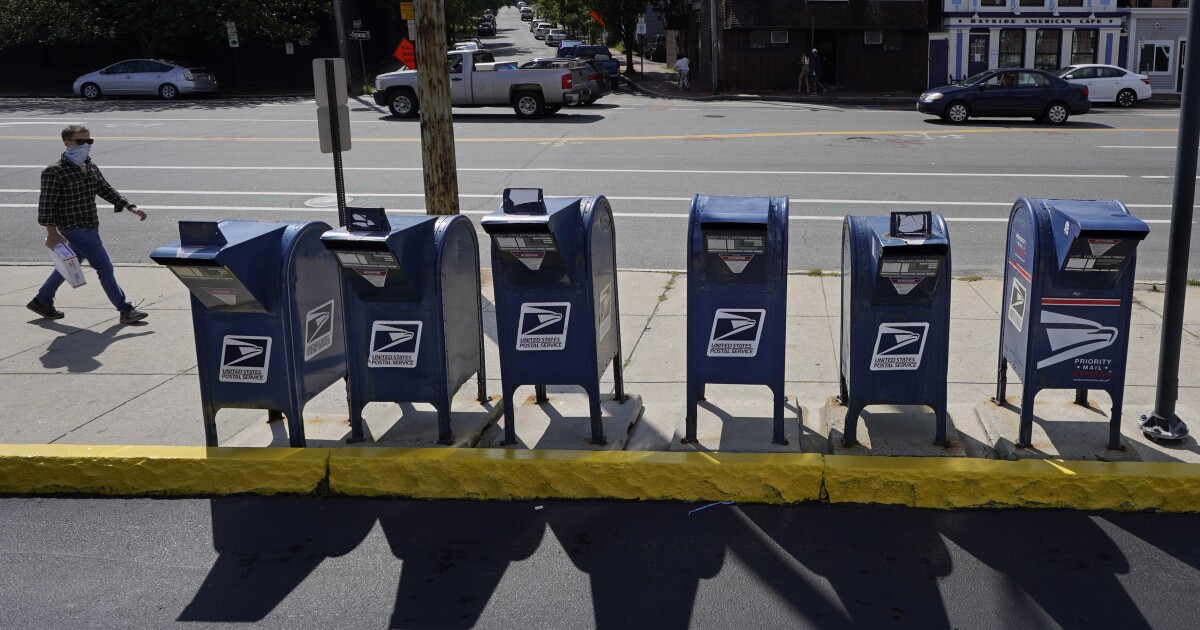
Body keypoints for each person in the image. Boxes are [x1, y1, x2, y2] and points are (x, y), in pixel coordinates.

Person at [28, 124, 149, 324]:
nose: (86, 145)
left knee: (70, 263)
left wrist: (130, 206)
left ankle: (42, 300)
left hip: (90, 224)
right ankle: (124, 308)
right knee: (104, 267)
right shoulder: (54, 172)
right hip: (74, 227)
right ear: (67, 143)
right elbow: (46, 206)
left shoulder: (90, 166)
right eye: (80, 141)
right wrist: (52, 233)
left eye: (89, 141)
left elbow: (105, 189)